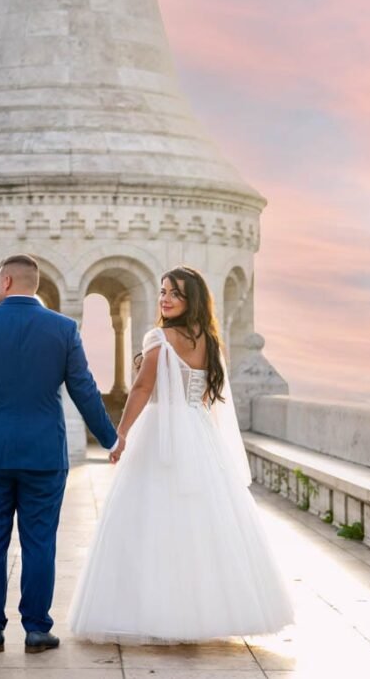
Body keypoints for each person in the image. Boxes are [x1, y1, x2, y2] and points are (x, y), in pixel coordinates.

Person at [69, 265, 294, 643]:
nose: (165, 299)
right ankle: (202, 612)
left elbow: (141, 389)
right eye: (162, 291)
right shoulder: (208, 340)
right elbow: (206, 397)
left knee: (151, 519)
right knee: (202, 523)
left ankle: (156, 614)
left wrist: (120, 434)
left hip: (161, 432)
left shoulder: (159, 337)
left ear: (191, 300)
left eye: (175, 293)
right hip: (199, 431)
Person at [0, 253, 119, 655]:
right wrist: (111, 440)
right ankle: (37, 630)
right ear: (35, 285)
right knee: (39, 542)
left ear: (4, 282)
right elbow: (84, 389)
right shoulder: (64, 329)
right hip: (43, 455)